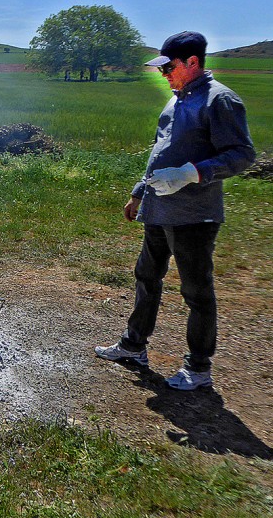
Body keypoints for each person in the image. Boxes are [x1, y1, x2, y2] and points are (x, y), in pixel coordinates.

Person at [95, 31, 255, 391]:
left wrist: (191, 173)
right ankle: (133, 346)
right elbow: (159, 153)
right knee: (146, 277)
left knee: (196, 292)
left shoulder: (220, 101)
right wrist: (139, 193)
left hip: (194, 215)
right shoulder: (174, 102)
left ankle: (198, 367)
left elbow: (242, 155)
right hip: (158, 209)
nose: (163, 74)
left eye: (169, 67)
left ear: (193, 62)